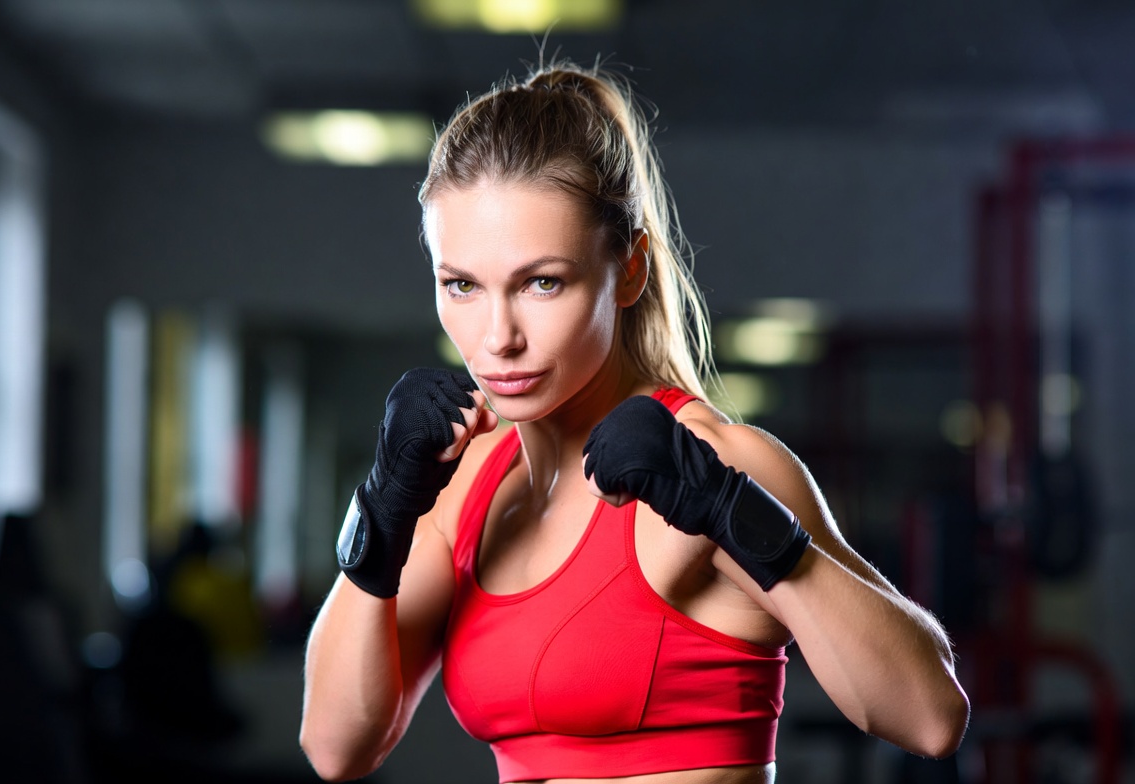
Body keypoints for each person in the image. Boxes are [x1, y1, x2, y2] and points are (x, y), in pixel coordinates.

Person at [300, 60, 970, 784]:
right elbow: (336, 748)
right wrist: (382, 506)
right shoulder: (462, 489)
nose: (497, 338)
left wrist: (731, 509)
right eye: (461, 285)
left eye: (542, 283)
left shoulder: (712, 462)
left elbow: (931, 718)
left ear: (629, 269)